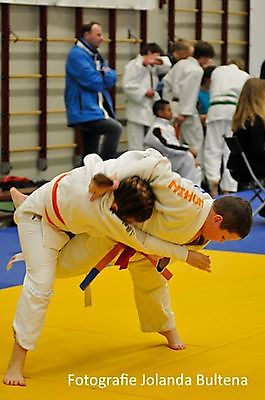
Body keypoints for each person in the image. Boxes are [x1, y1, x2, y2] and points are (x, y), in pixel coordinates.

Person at [4, 149, 252, 386]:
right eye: (222, 238)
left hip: (100, 224)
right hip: (53, 216)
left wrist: (181, 254)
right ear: (217, 219)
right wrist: (112, 179)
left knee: (151, 275)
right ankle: (17, 361)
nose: (218, 243)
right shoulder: (182, 200)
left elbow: (141, 239)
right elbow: (154, 162)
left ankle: (166, 328)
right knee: (43, 282)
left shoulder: (198, 230)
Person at [65, 22, 122, 162]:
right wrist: (104, 74)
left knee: (90, 152)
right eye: (98, 34)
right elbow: (94, 82)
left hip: (93, 109)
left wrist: (104, 75)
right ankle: (105, 167)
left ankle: (85, 177)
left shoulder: (95, 55)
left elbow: (111, 79)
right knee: (115, 129)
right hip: (84, 110)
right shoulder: (77, 55)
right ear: (86, 35)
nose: (102, 38)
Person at [204, 60, 250, 197]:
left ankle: (213, 184)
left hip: (215, 110)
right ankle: (228, 189)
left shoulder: (217, 71)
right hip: (233, 111)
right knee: (230, 150)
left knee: (212, 148)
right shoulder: (244, 75)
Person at [162, 40, 215, 157]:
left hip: (173, 106)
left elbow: (166, 83)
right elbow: (189, 91)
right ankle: (197, 172)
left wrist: (169, 105)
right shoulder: (196, 70)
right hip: (186, 111)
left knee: (176, 142)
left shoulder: (181, 63)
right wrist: (184, 113)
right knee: (196, 141)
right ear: (204, 57)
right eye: (208, 58)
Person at [122, 43, 171, 150]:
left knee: (150, 143)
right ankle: (135, 166)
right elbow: (127, 85)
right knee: (136, 144)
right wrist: (144, 92)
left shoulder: (152, 67)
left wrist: (158, 61)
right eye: (156, 56)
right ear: (149, 53)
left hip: (149, 107)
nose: (157, 59)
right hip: (136, 106)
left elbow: (168, 66)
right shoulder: (133, 65)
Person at [144, 99, 201, 185]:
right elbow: (167, 146)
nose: (171, 112)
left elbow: (173, 146)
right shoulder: (157, 129)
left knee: (194, 162)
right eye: (169, 110)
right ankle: (190, 188)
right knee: (188, 157)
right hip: (157, 162)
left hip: (168, 158)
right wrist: (188, 149)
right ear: (160, 112)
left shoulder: (168, 127)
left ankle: (195, 188)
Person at [227, 78, 265, 185]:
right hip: (253, 168)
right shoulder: (256, 122)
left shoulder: (243, 120)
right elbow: (259, 150)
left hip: (239, 166)